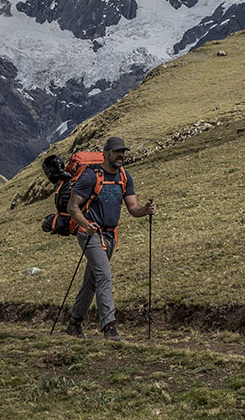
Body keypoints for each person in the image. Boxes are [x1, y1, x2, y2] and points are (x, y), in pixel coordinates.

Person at [65, 136, 157, 341]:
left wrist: (146, 210)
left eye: (123, 151)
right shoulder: (91, 176)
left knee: (92, 281)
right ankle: (109, 327)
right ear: (106, 153)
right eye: (117, 152)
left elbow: (133, 208)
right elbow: (72, 206)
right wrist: (86, 225)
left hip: (110, 235)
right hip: (90, 234)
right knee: (104, 275)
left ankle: (74, 324)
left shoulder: (124, 177)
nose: (121, 155)